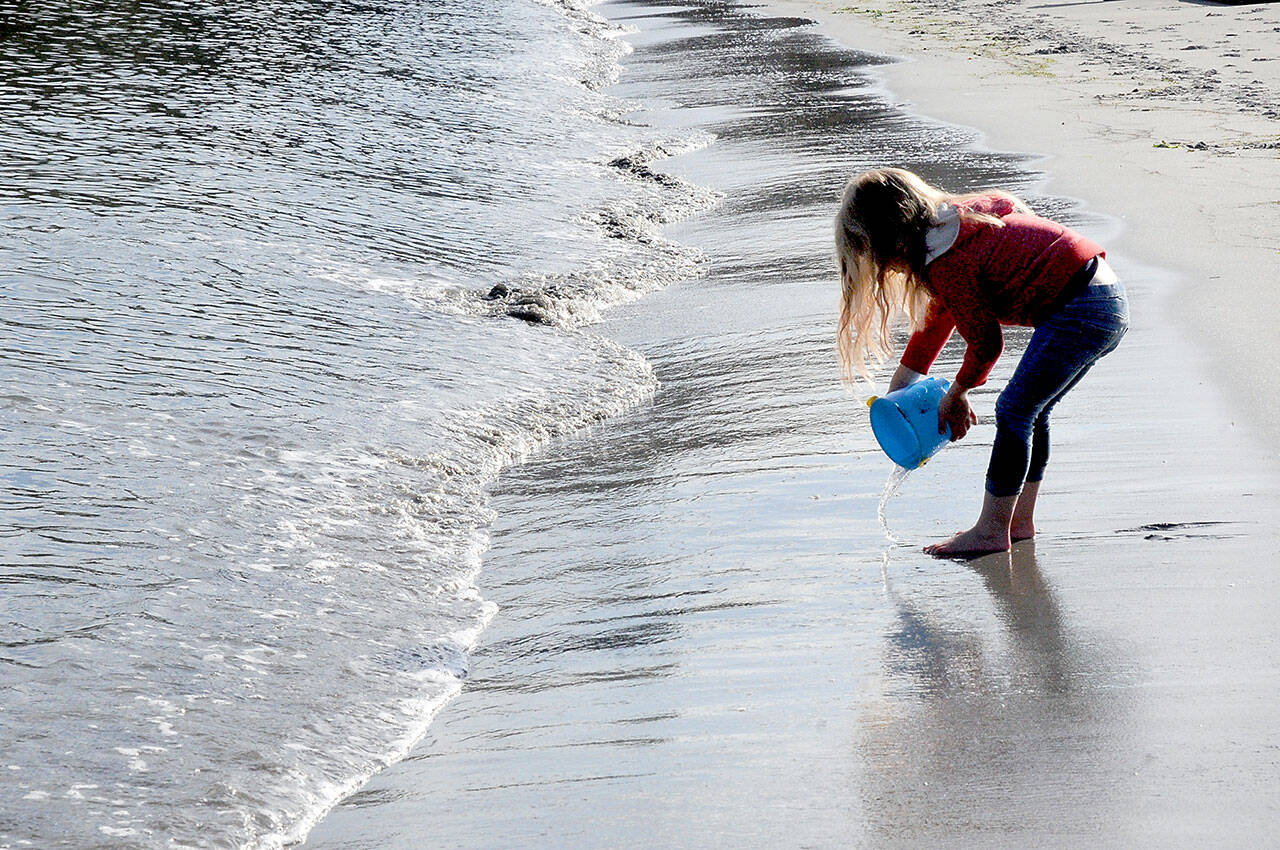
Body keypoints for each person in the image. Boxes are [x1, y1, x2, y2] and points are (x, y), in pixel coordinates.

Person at [834, 167, 1129, 556]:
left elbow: (988, 345)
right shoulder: (951, 226)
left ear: (886, 243)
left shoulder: (947, 263)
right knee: (1032, 412)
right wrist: (898, 393)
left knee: (1013, 411)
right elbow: (938, 320)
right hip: (1104, 296)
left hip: (1080, 307)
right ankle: (1019, 522)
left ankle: (992, 530)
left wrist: (956, 393)